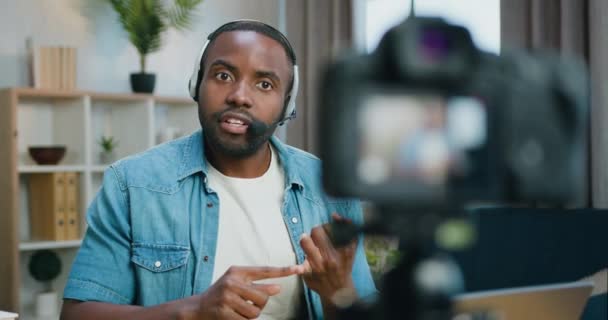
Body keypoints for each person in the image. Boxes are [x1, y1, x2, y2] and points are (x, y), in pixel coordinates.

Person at [60, 20, 376, 320]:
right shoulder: (133, 183)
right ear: (197, 84)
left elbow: (355, 307)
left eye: (264, 83)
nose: (239, 95)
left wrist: (339, 294)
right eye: (223, 75)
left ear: (286, 105)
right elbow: (77, 314)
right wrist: (191, 311)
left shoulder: (330, 185)